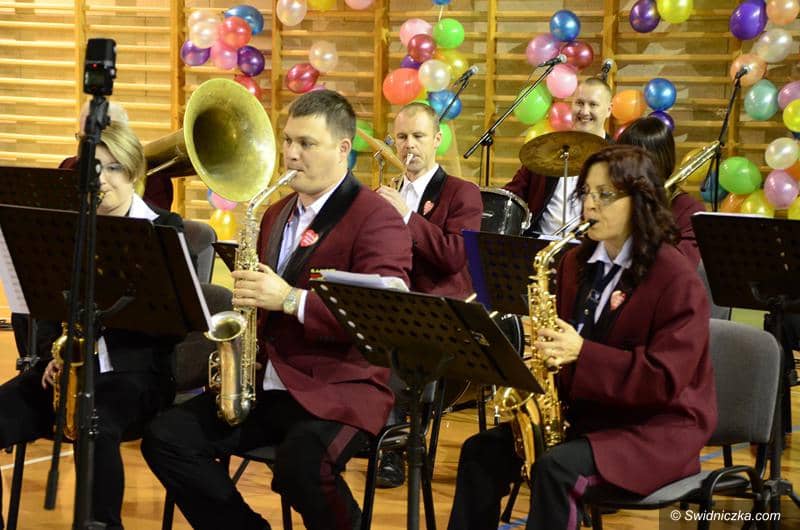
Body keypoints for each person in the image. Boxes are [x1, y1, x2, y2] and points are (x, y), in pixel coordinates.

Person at [141, 89, 413, 530]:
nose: (291, 154)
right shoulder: (274, 213)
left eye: (307, 143)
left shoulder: (375, 217)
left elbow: (381, 316)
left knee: (300, 468)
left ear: (343, 149)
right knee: (165, 437)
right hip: (267, 385)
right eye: (288, 140)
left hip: (337, 390)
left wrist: (289, 299)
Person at [447, 144, 717, 530]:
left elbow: (664, 379)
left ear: (640, 201)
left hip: (655, 430)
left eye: (605, 195)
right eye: (586, 192)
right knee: (479, 452)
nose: (590, 205)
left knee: (557, 469)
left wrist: (581, 353)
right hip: (589, 416)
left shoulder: (676, 279)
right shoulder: (575, 262)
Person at [0, 121, 185, 530]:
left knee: (93, 424)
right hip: (66, 372)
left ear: (134, 172)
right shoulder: (65, 227)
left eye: (113, 167)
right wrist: (52, 354)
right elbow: (43, 307)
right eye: (93, 168)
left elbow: (172, 328)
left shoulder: (163, 228)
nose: (101, 179)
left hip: (135, 377)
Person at [374, 102, 483, 487]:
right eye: (402, 137)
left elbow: (454, 257)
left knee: (395, 342)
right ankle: (367, 429)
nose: (409, 145)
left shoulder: (462, 193)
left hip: (439, 310)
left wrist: (406, 216)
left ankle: (392, 447)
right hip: (394, 302)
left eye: (418, 136)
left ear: (437, 139)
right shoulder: (388, 192)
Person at [503, 78, 613, 235]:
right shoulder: (546, 147)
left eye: (593, 104)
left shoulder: (618, 158)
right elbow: (514, 193)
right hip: (539, 243)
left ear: (609, 110)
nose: (584, 111)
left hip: (591, 245)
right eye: (579, 103)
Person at [617, 116, 705, 268]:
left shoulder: (689, 209)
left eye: (635, 160)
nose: (626, 168)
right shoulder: (619, 201)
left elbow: (681, 266)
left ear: (660, 160)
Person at [60, 100, 174, 210]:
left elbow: (153, 219)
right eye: (83, 138)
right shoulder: (68, 166)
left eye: (106, 136)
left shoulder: (156, 179)